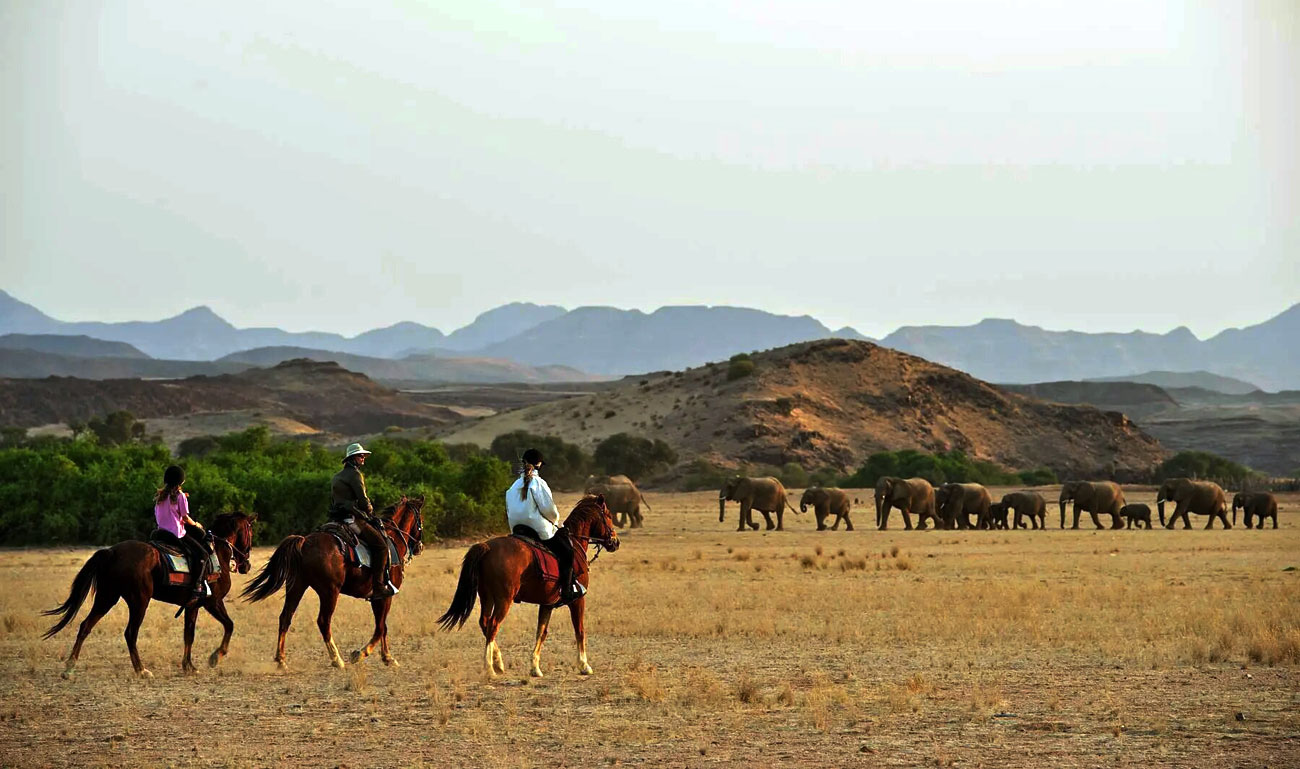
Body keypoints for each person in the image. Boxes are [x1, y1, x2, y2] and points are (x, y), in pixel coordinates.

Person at [505, 448, 584, 605]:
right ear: (539, 464)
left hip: (517, 528)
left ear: (524, 463)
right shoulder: (538, 483)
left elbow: (508, 509)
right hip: (538, 529)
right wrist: (556, 521)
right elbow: (548, 510)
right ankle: (567, 591)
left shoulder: (513, 486)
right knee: (568, 552)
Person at [330, 443, 397, 599]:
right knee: (381, 546)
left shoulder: (336, 476)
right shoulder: (355, 475)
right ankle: (379, 586)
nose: (363, 459)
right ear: (353, 458)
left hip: (336, 519)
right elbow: (363, 500)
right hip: (353, 519)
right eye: (361, 456)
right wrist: (370, 510)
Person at [152, 465, 211, 601]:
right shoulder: (180, 496)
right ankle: (197, 587)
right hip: (176, 534)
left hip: (160, 533)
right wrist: (196, 524)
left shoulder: (159, 497)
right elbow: (185, 518)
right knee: (203, 554)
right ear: (181, 481)